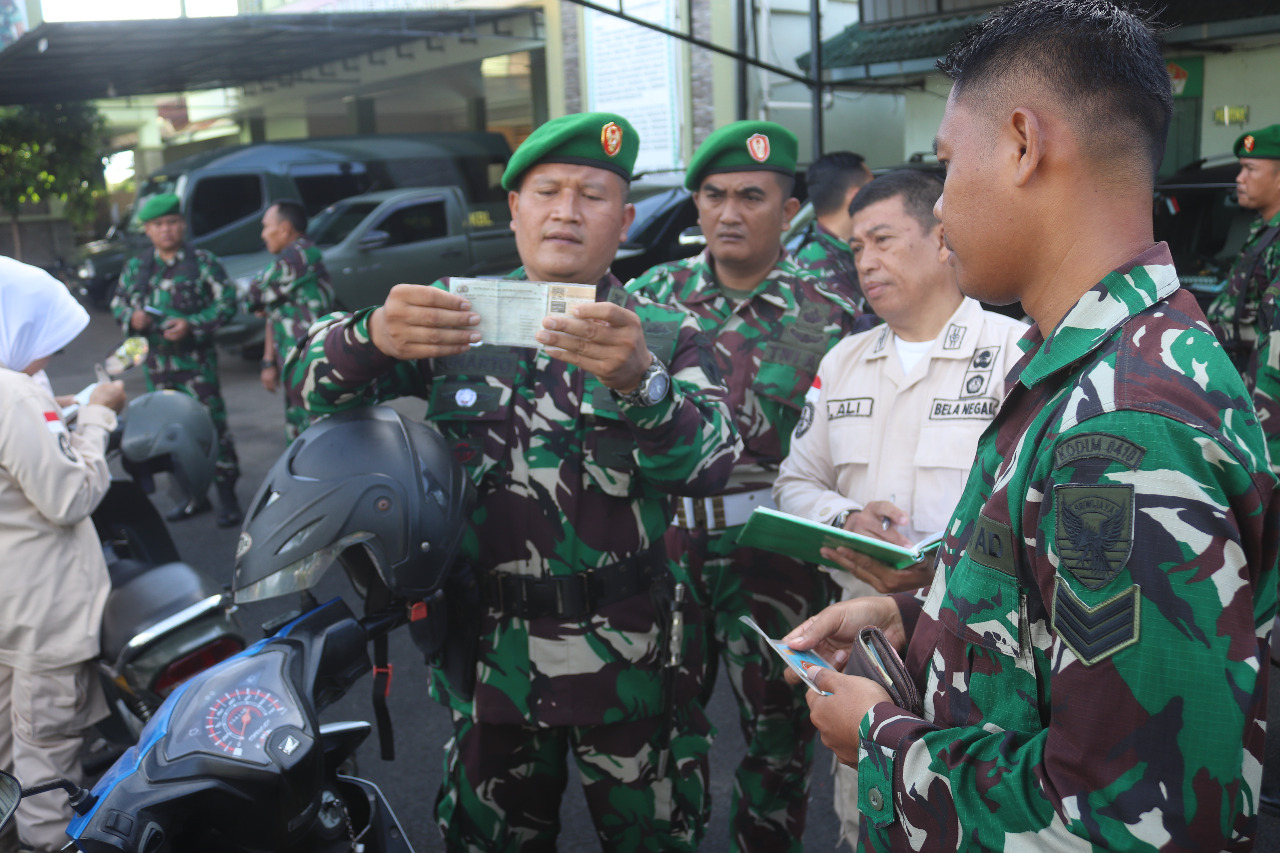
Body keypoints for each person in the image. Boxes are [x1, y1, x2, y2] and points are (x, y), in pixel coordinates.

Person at [781, 1, 1279, 849]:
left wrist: (879, 740)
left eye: (946, 167)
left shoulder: (1124, 421)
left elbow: (1129, 818)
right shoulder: (1090, 364)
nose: (937, 211)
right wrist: (910, 615)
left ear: (1021, 144)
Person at [285, 112, 739, 852]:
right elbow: (311, 397)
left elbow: (710, 465)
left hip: (629, 664)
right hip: (491, 661)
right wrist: (367, 337)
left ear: (624, 219)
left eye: (592, 196)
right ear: (514, 209)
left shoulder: (661, 333)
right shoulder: (451, 318)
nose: (566, 211)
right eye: (547, 191)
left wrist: (642, 384)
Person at [627, 120, 871, 853]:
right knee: (663, 737)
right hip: (664, 551)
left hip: (778, 558)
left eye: (751, 196)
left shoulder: (830, 312)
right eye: (714, 195)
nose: (729, 212)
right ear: (696, 205)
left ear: (789, 208)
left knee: (780, 740)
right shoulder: (648, 297)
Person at [772, 169, 1026, 849]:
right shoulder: (844, 360)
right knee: (868, 823)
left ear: (942, 238)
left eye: (883, 240)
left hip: (984, 667)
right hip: (868, 658)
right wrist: (844, 516)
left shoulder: (1015, 354)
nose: (866, 262)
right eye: (855, 248)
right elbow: (794, 482)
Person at [0, 257, 126, 852]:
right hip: (45, 616)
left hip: (8, 610)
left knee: (6, 756)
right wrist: (97, 417)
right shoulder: (14, 394)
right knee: (47, 772)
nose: (48, 356)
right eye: (45, 337)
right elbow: (70, 494)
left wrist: (60, 412)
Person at [110, 193, 242, 526]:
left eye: (171, 222)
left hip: (197, 365)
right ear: (148, 230)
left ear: (181, 224)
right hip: (157, 367)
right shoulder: (137, 267)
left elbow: (227, 303)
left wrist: (192, 324)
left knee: (211, 427)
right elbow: (119, 304)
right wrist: (132, 318)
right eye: (158, 225)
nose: (166, 230)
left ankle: (228, 496)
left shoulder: (203, 262)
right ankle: (190, 497)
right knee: (169, 432)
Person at [1213, 124, 1280, 463]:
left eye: (1251, 169)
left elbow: (1276, 349)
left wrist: (1267, 454)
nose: (1239, 177)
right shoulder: (1263, 231)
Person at [247, 199, 336, 441]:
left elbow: (253, 293)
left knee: (319, 440)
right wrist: (268, 362)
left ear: (284, 229)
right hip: (295, 364)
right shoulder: (297, 257)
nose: (264, 234)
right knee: (299, 436)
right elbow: (272, 312)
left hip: (312, 366)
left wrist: (257, 302)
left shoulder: (296, 257)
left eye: (266, 227)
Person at [791, 151, 873, 307]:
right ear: (857, 196)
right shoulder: (816, 259)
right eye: (872, 189)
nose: (880, 198)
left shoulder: (845, 250)